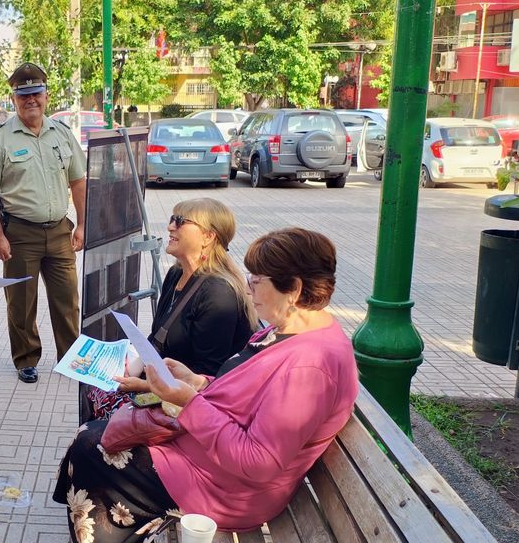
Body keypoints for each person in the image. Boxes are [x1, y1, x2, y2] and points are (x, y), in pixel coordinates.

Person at [53, 228, 359, 542]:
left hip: (228, 489)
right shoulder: (291, 331)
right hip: (211, 463)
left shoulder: (310, 367)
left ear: (293, 289)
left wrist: (189, 402)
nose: (248, 288)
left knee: (91, 449)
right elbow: (248, 392)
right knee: (94, 437)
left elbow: (258, 462)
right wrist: (197, 381)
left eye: (256, 280)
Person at [86, 198, 256, 420]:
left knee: (101, 416)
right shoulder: (177, 273)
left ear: (208, 236)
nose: (170, 227)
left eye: (180, 221)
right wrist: (133, 365)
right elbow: (158, 338)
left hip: (192, 404)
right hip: (165, 381)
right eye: (172, 219)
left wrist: (146, 385)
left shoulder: (218, 293)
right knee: (96, 388)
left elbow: (207, 379)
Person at [0, 62, 87, 384]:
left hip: (60, 231)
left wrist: (82, 225)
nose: (30, 100)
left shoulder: (62, 134)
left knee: (67, 300)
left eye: (36, 94)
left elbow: (78, 181)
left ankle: (71, 356)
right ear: (14, 100)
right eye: (24, 96)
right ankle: (26, 358)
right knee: (21, 302)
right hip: (20, 233)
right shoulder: (1, 138)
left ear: (46, 96)